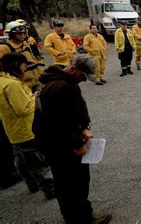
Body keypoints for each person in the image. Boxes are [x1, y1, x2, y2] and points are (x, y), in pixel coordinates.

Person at [33, 55, 111, 223]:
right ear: (74, 69)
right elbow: (57, 123)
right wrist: (76, 144)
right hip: (60, 145)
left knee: (68, 182)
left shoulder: (62, 79)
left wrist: (84, 127)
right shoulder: (60, 87)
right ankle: (81, 219)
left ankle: (75, 216)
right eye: (83, 76)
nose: (84, 80)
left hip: (59, 141)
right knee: (73, 183)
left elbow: (77, 105)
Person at [0, 53, 55, 199]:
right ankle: (49, 188)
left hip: (12, 130)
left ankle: (32, 184)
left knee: (21, 160)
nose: (26, 67)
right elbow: (22, 109)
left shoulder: (3, 81)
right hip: (25, 129)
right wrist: (35, 97)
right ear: (16, 64)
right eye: (24, 64)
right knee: (36, 161)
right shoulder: (13, 85)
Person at [0, 21, 44, 91]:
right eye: (19, 33)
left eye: (24, 33)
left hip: (37, 82)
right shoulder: (5, 48)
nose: (22, 35)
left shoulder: (27, 44)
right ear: (11, 34)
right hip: (22, 85)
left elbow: (37, 59)